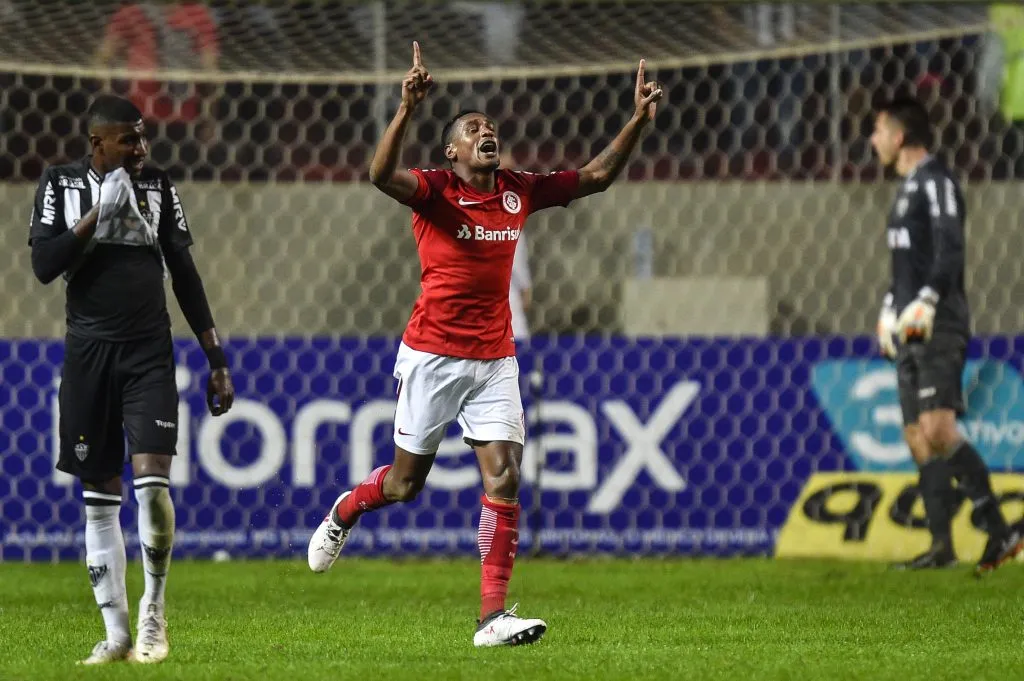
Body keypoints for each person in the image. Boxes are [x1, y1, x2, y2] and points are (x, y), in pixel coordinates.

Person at [308, 42, 662, 646]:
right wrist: (406, 110)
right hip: (433, 355)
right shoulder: (434, 189)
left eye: (490, 128)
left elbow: (598, 177)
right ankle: (347, 510)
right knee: (403, 485)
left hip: (495, 358)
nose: (485, 133)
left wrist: (635, 121)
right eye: (473, 129)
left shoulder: (519, 191)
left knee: (504, 477)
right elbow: (376, 174)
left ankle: (491, 617)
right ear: (452, 150)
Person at [28, 94, 234, 664]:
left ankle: (154, 615)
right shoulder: (60, 184)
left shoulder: (159, 186)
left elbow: (184, 274)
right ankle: (116, 634)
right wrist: (98, 216)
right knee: (98, 501)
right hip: (88, 353)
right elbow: (44, 266)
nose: (141, 148)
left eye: (143, 137)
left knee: (153, 484)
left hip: (148, 351)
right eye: (129, 139)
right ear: (98, 143)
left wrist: (216, 358)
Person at [871, 96, 1023, 574]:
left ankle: (1000, 531)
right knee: (917, 433)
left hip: (938, 320)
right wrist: (890, 307)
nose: (872, 140)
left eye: (877, 131)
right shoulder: (904, 190)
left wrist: (928, 300)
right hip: (909, 321)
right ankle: (941, 547)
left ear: (899, 137)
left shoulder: (936, 183)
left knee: (937, 428)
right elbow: (905, 266)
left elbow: (951, 248)